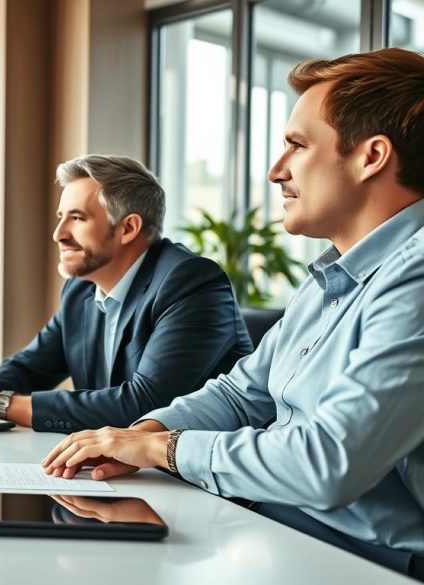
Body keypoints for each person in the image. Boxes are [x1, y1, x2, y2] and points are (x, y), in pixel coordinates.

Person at [41, 48, 424, 580]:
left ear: (371, 156)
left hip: (371, 560)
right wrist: (140, 436)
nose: (275, 170)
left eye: (296, 145)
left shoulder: (417, 275)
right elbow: (242, 393)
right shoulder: (333, 276)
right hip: (280, 525)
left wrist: (162, 448)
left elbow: (328, 463)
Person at [0, 155, 252, 432]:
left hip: (196, 485)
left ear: (128, 228)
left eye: (77, 218)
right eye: (60, 218)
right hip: (118, 472)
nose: (58, 234)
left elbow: (144, 404)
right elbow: (32, 366)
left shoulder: (191, 282)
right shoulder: (81, 289)